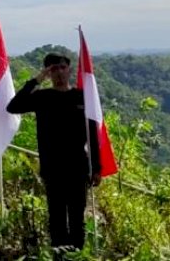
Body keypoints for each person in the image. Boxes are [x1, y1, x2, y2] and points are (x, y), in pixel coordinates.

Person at [7, 53, 100, 253]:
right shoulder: (42, 97)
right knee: (57, 218)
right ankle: (59, 256)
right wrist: (37, 80)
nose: (59, 73)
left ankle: (76, 255)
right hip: (53, 168)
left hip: (78, 167)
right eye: (53, 69)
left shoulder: (81, 97)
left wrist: (97, 167)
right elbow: (13, 107)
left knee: (77, 218)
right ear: (48, 74)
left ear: (69, 69)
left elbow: (93, 133)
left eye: (62, 67)